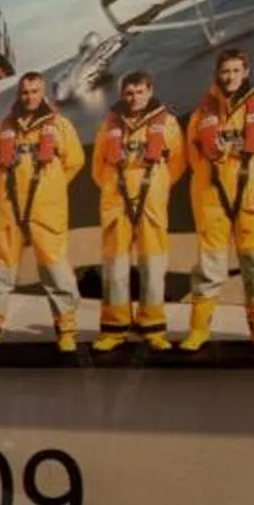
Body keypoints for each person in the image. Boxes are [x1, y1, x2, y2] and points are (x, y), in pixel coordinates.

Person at [0, 70, 86, 356]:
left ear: (43, 94)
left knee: (56, 269)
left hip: (46, 211)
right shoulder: (5, 127)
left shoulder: (59, 125)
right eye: (24, 92)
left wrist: (52, 189)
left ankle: (66, 329)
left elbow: (75, 161)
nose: (29, 97)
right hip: (8, 209)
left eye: (34, 91)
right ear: (19, 94)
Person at [182, 47, 254, 351]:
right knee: (209, 270)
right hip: (213, 201)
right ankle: (198, 331)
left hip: (252, 200)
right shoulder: (201, 114)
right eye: (226, 71)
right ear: (217, 74)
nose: (231, 77)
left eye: (237, 71)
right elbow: (193, 156)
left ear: (246, 72)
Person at [90, 70, 183, 348]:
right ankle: (113, 329)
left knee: (153, 266)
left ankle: (152, 327)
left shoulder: (168, 123)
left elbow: (177, 162)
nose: (134, 98)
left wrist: (157, 187)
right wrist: (112, 189)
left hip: (151, 204)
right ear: (122, 95)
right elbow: (98, 166)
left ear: (150, 91)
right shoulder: (109, 125)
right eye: (129, 93)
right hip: (116, 203)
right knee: (115, 269)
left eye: (140, 92)